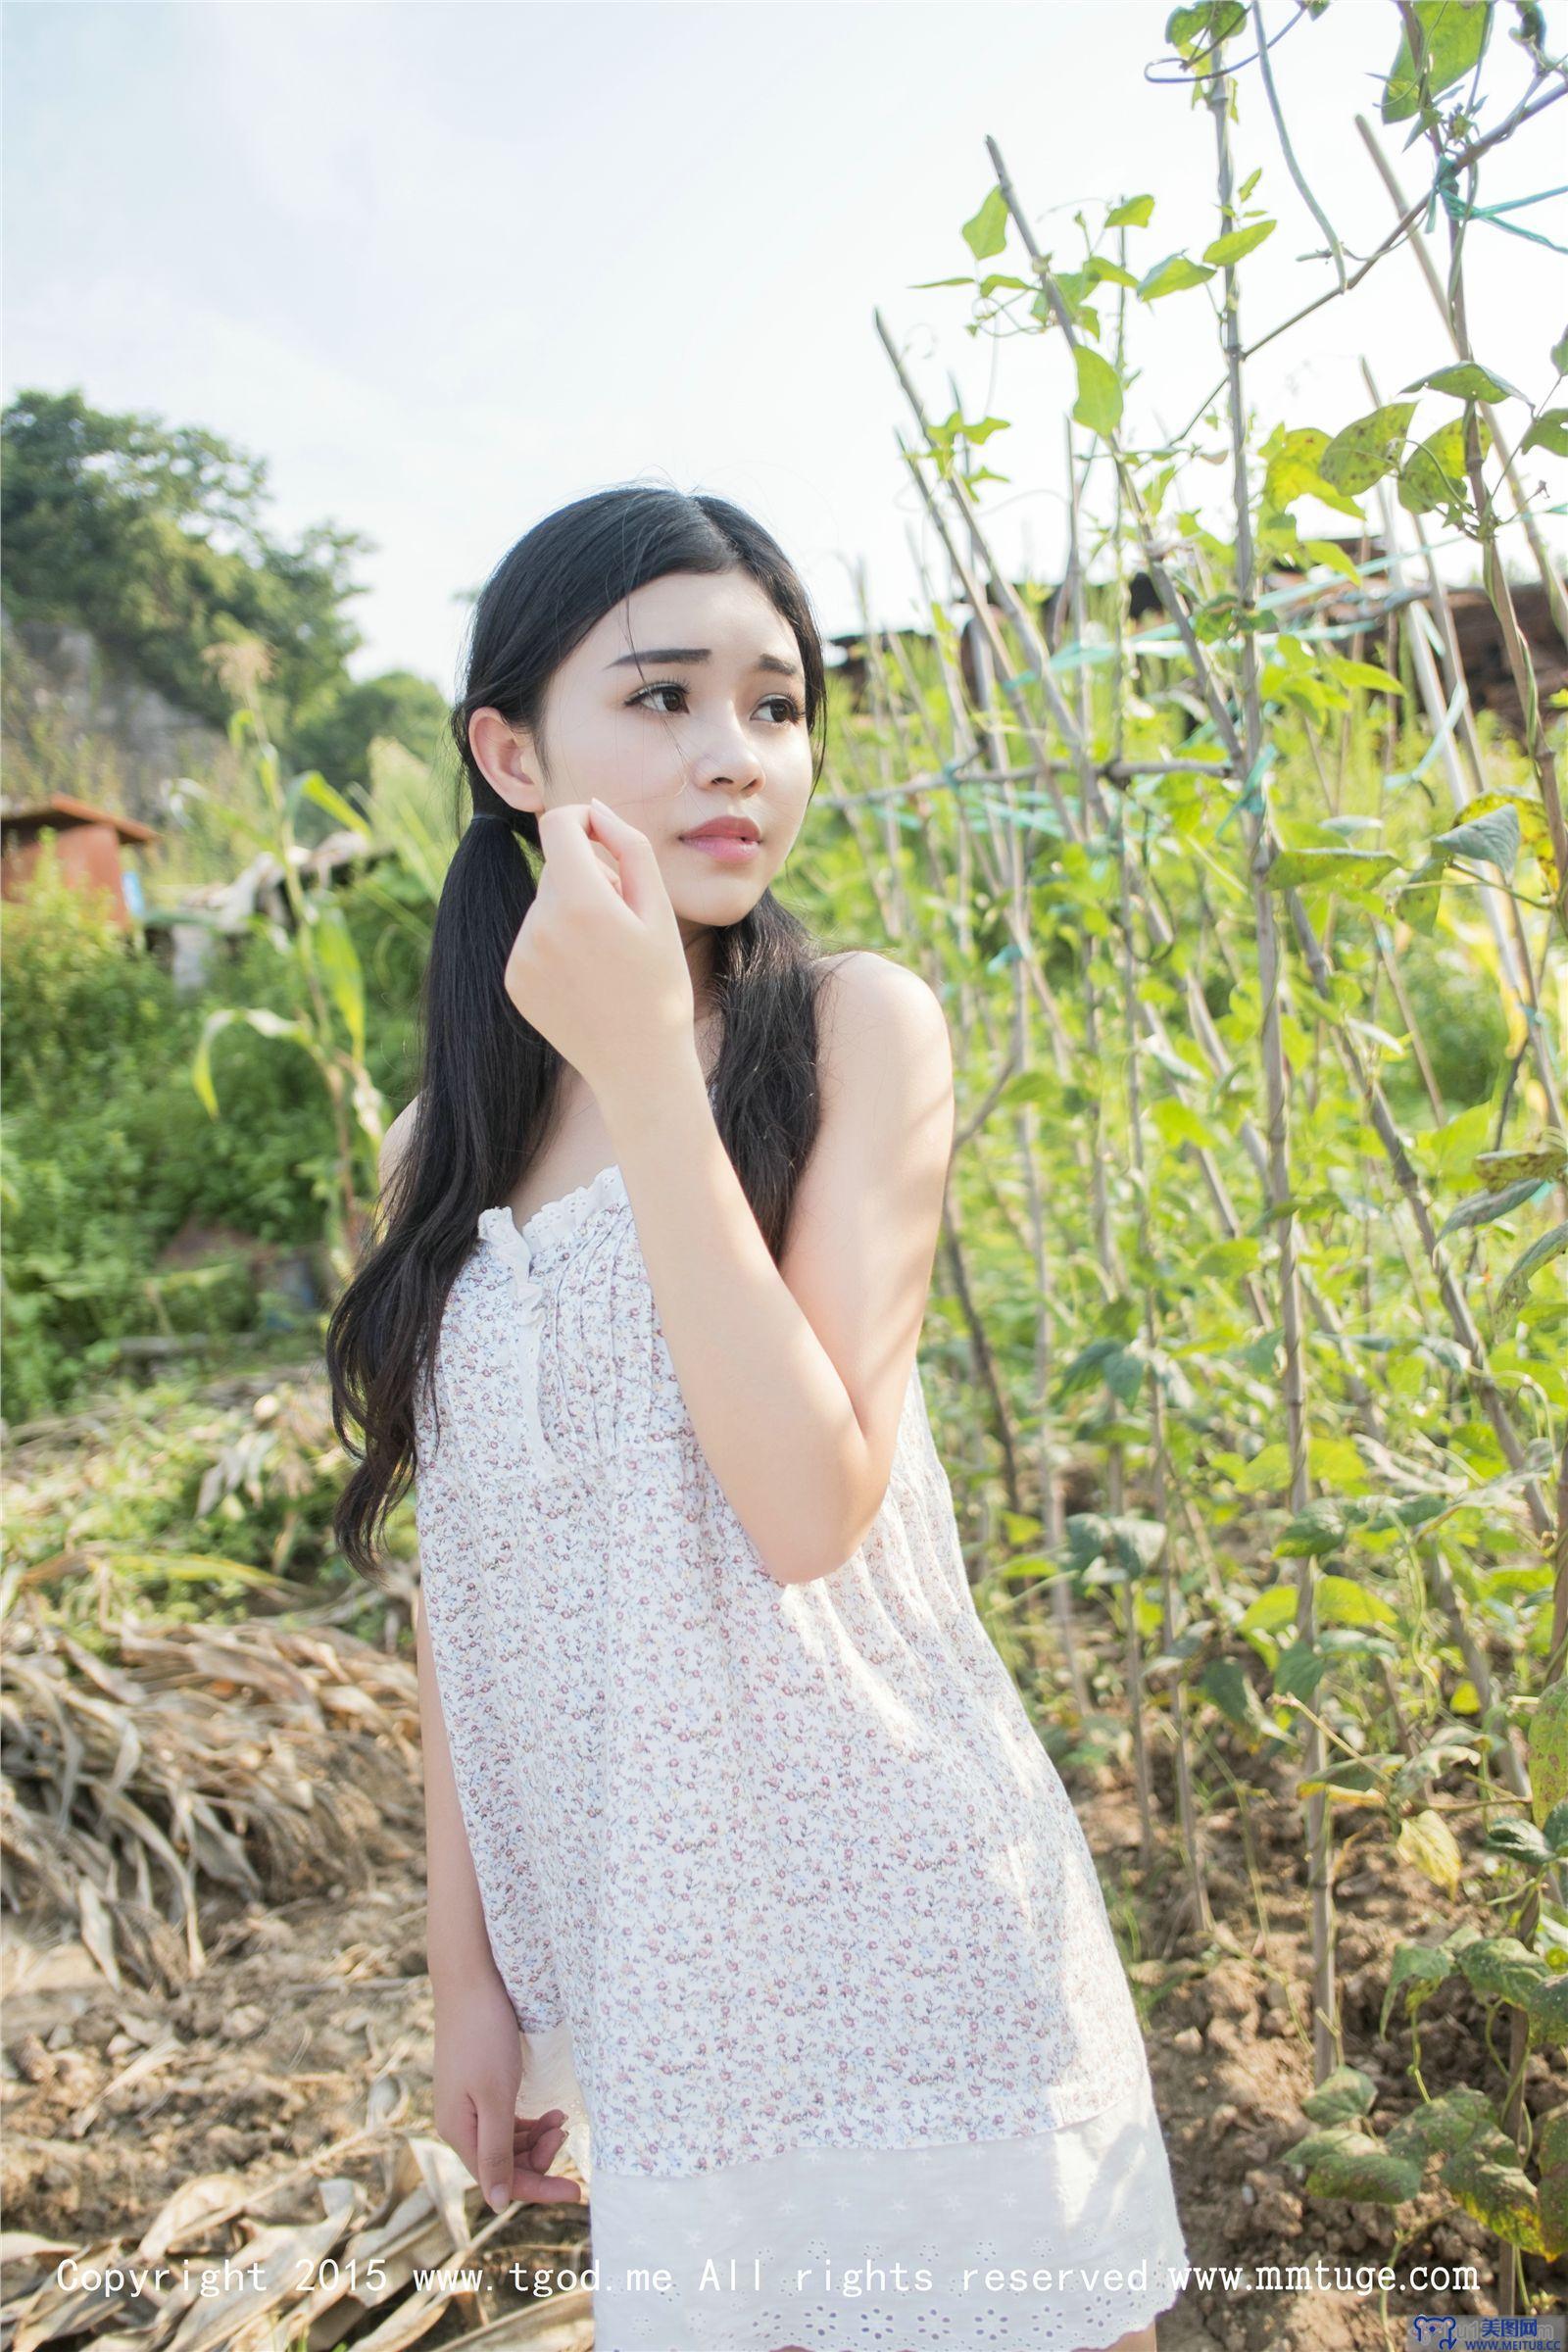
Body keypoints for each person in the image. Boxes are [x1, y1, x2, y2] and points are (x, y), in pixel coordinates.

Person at [325, 484, 1191, 2352]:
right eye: (660, 701)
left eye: (777, 705)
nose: (737, 758)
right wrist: (467, 1979)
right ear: (507, 750)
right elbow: (466, 1594)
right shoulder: (429, 1159)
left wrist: (644, 1063)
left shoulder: (857, 1030)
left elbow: (809, 1510)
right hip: (662, 1979)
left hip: (907, 1931)